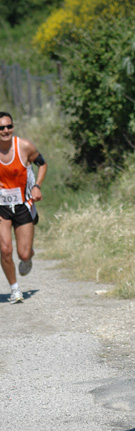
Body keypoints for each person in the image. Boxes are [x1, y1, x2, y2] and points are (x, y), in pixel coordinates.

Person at [0, 112, 47, 304]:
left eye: (9, 126)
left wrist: (37, 186)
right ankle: (15, 290)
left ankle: (29, 257)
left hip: (23, 204)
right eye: (1, 128)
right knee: (4, 249)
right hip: (1, 206)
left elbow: (42, 164)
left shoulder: (24, 147)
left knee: (23, 253)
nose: (5, 131)